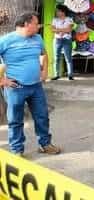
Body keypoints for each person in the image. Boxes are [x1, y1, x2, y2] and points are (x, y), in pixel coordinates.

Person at [0, 12, 61, 156]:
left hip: (36, 87)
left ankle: (45, 144)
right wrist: (3, 81)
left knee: (42, 116)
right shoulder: (5, 41)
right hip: (16, 87)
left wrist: (45, 71)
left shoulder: (37, 38)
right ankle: (17, 149)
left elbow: (43, 54)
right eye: (36, 23)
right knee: (15, 120)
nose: (38, 26)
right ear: (26, 24)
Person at [51, 4, 74, 81]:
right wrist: (64, 30)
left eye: (58, 11)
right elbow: (52, 30)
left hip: (67, 40)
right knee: (56, 57)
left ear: (63, 12)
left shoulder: (69, 19)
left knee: (68, 58)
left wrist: (59, 30)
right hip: (57, 40)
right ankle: (56, 74)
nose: (56, 12)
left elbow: (69, 30)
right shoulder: (54, 20)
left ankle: (70, 75)